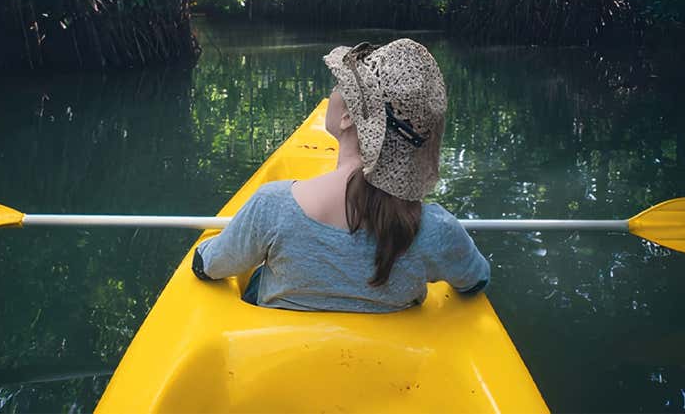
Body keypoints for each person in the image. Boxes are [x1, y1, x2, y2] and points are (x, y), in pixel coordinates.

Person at [192, 38, 490, 313]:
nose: (331, 91)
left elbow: (208, 264)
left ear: (348, 116)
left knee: (259, 276)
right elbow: (476, 279)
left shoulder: (271, 207)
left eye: (339, 85)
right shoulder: (437, 231)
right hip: (389, 365)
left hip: (285, 360)